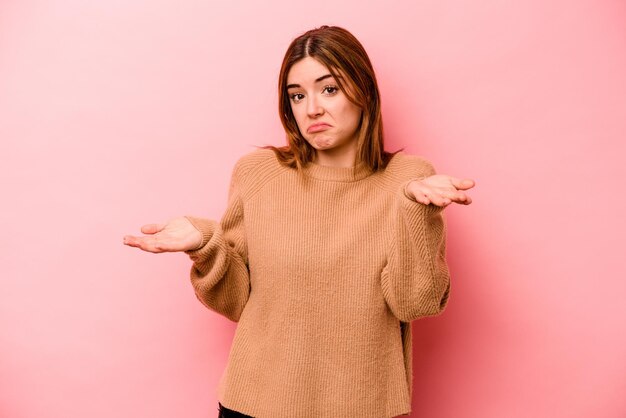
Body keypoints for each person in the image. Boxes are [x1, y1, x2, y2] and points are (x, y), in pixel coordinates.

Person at [123, 25, 474, 418]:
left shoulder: (409, 180)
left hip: (364, 409)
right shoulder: (259, 173)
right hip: (254, 404)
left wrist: (413, 210)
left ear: (365, 92)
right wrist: (206, 243)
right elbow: (237, 301)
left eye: (329, 89)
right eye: (297, 95)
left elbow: (416, 303)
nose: (312, 109)